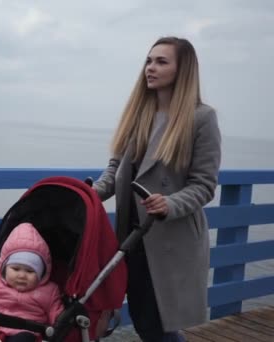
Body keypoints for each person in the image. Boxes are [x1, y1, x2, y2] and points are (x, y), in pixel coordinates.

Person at [92, 36, 221, 342]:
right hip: (131, 238)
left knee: (157, 325)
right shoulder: (139, 115)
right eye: (149, 61)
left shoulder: (202, 118)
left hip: (169, 240)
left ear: (183, 69)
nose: (150, 68)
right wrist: (88, 193)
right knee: (142, 319)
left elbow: (204, 185)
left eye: (161, 61)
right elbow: (114, 172)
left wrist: (170, 203)